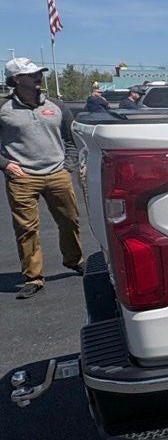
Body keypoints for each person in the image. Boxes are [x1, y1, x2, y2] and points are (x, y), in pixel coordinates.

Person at [1, 58, 84, 299]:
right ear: (17, 79)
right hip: (22, 178)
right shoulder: (3, 109)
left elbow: (71, 138)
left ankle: (74, 260)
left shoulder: (57, 106)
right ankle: (33, 277)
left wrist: (67, 165)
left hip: (57, 174)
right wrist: (5, 165)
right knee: (26, 229)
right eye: (32, 74)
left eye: (39, 72)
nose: (39, 77)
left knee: (70, 220)